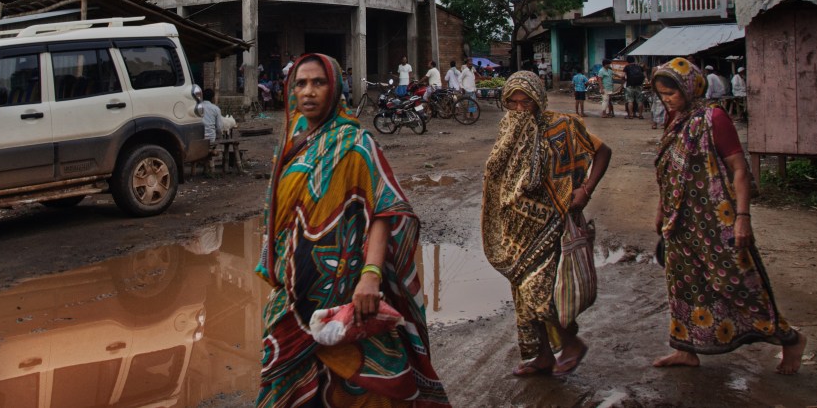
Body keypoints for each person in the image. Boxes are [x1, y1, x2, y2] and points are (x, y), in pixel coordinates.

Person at [256, 53, 449, 407]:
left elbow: (383, 210)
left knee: (357, 390)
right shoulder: (290, 141)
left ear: (336, 87)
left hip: (346, 294)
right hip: (291, 294)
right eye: (301, 83)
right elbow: (277, 216)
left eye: (319, 82)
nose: (309, 91)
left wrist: (371, 276)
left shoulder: (356, 143)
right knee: (286, 386)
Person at [650, 58, 807, 374]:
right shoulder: (677, 120)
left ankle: (789, 339)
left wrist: (742, 217)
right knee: (684, 286)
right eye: (662, 94)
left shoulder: (714, 119)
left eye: (672, 93)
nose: (667, 99)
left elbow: (739, 170)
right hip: (680, 221)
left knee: (736, 281)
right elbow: (669, 172)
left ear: (690, 88)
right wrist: (661, 210)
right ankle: (686, 348)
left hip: (715, 219)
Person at [481, 71, 612, 376]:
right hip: (518, 229)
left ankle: (570, 343)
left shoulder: (562, 124)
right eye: (511, 100)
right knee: (523, 292)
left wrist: (586, 188)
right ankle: (542, 356)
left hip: (555, 222)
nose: (518, 107)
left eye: (524, 100)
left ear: (537, 98)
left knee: (539, 290)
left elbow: (602, 152)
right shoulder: (508, 129)